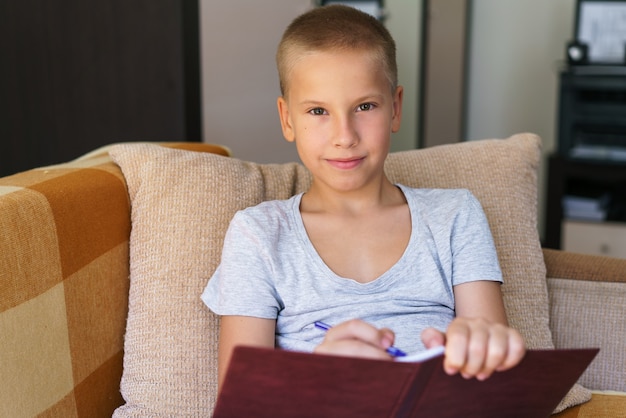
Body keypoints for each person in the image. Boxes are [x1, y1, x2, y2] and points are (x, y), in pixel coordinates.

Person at [201, 4, 525, 390]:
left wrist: (487, 350)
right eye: (318, 110)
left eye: (365, 107)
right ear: (287, 119)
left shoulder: (455, 215)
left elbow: (495, 372)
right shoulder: (258, 233)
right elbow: (240, 401)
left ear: (396, 108)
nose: (345, 136)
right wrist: (321, 380)